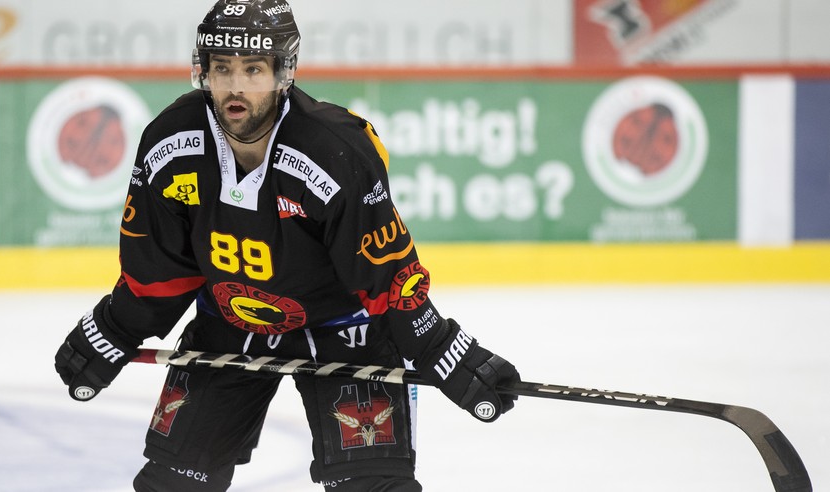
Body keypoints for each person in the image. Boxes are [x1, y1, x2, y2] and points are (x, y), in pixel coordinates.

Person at [54, 0, 520, 490]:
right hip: (230, 323)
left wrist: (446, 350)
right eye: (222, 68)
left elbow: (386, 277)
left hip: (348, 331)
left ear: (283, 72)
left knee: (375, 487)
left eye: (253, 69)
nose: (235, 86)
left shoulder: (335, 150)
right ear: (203, 72)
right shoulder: (170, 144)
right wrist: (112, 329)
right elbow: (160, 273)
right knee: (174, 485)